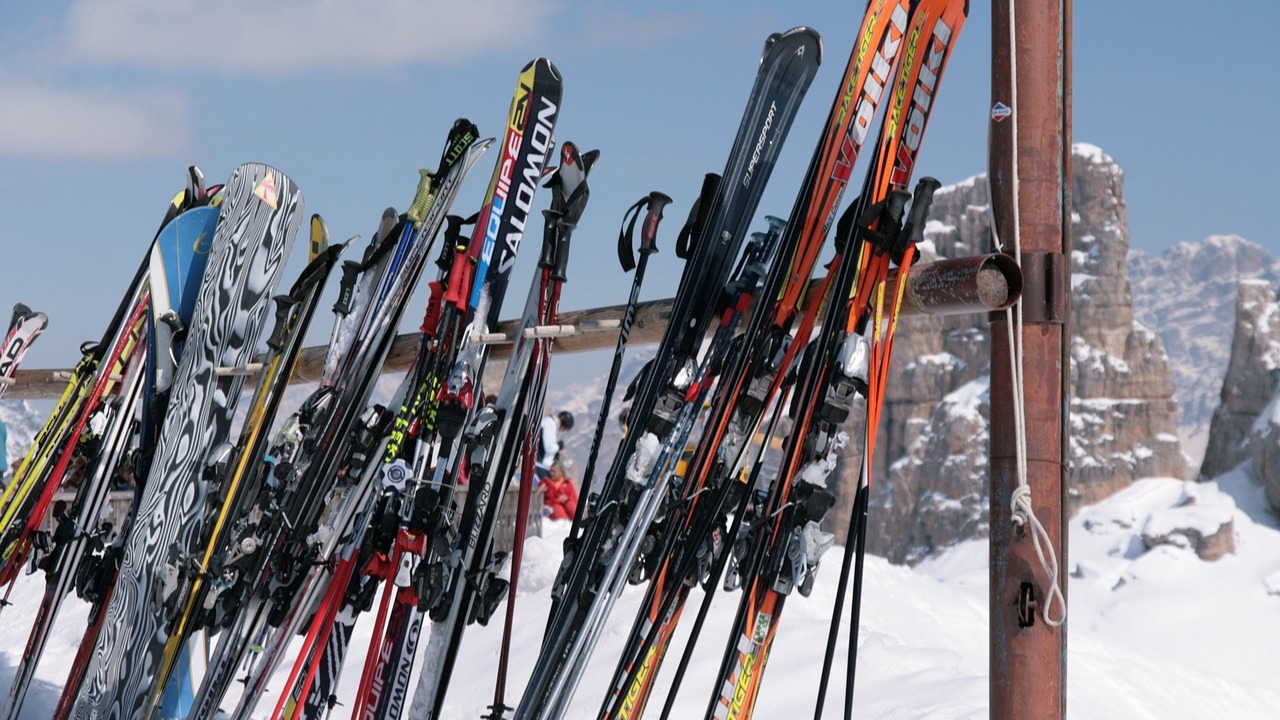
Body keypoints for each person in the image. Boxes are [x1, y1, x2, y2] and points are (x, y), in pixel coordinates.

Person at [534, 410, 574, 483]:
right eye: (564, 429)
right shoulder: (550, 424)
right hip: (540, 466)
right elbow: (549, 447)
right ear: (563, 425)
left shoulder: (551, 424)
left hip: (543, 466)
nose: (562, 430)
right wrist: (558, 447)